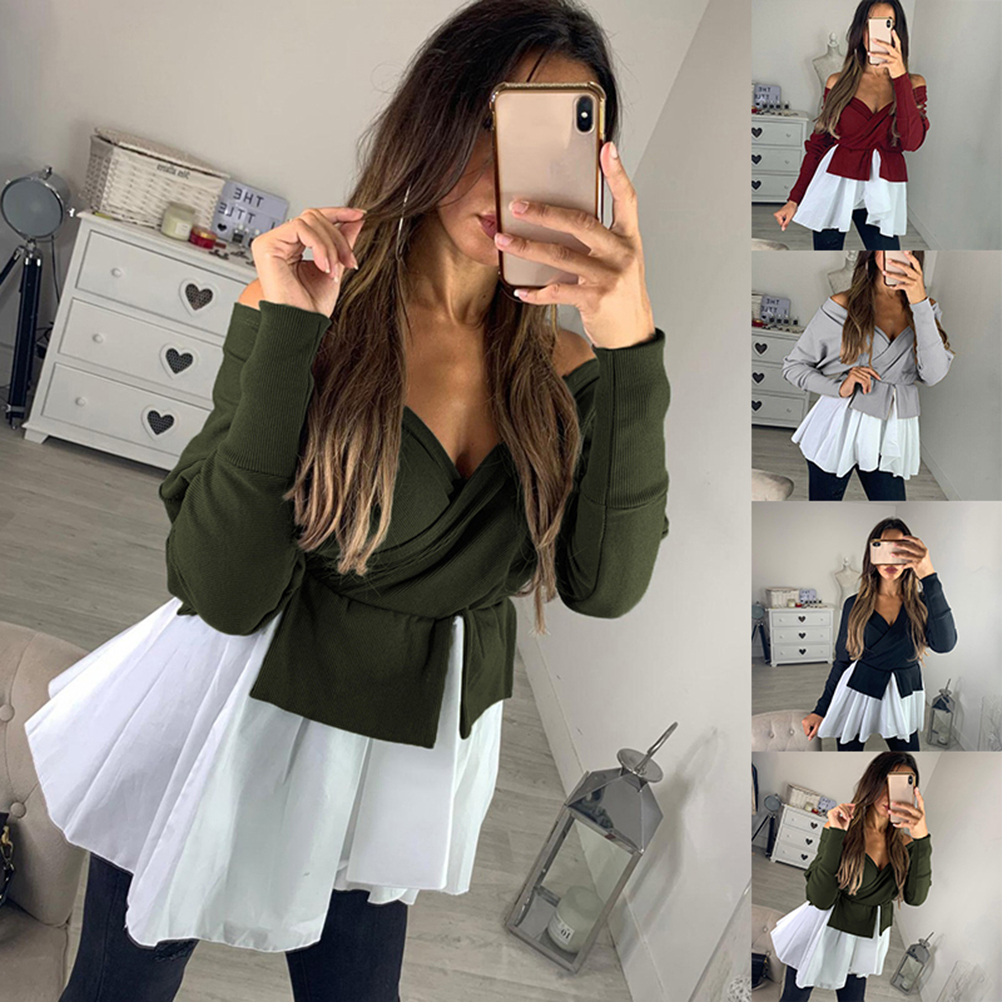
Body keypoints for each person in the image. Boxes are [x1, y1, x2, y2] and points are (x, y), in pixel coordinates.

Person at [22, 2, 670, 1000]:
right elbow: (224, 591)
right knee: (121, 990)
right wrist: (290, 332)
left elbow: (606, 586)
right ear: (434, 117)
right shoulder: (311, 298)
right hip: (232, 710)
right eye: (489, 120)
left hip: (404, 749)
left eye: (547, 137)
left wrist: (632, 341)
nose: (508, 172)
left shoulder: (572, 367)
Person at [782, 250, 953, 501]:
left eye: (906, 250)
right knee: (824, 506)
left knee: (891, 503)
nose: (897, 255)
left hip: (892, 429)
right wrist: (839, 387)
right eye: (889, 249)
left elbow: (934, 375)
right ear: (873, 252)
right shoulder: (843, 304)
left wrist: (919, 303)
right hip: (840, 424)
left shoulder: (927, 308)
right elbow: (794, 366)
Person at [771, 753, 933, 1000]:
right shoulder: (842, 826)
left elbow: (916, 897)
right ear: (873, 781)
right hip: (822, 928)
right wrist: (836, 834)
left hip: (865, 938)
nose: (891, 794)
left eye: (902, 785)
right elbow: (820, 898)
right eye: (887, 782)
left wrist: (922, 837)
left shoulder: (907, 844)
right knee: (794, 999)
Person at [773, 0, 928, 249]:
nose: (876, 34)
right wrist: (794, 200)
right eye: (870, 24)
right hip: (834, 183)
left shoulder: (913, 83)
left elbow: (911, 142)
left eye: (887, 24)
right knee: (826, 250)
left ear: (897, 32)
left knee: (886, 256)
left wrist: (899, 76)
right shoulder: (837, 82)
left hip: (883, 189)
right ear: (860, 30)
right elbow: (819, 144)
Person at [801, 518, 957, 751]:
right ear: (871, 555)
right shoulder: (854, 604)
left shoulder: (923, 604)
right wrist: (820, 710)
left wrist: (928, 575)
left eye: (899, 549)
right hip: (858, 689)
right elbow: (843, 661)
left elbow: (945, 644)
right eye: (883, 548)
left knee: (908, 755)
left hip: (903, 693)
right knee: (848, 755)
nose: (890, 559)